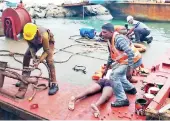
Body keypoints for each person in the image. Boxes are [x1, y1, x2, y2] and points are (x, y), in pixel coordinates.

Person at [101, 23, 142, 107]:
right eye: (102, 32)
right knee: (119, 74)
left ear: (111, 32)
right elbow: (111, 55)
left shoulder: (119, 39)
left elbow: (130, 53)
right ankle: (131, 89)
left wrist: (130, 70)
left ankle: (122, 100)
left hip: (134, 60)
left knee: (114, 76)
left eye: (105, 32)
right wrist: (106, 69)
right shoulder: (109, 40)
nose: (102, 34)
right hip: (125, 61)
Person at [15, 23, 59, 99]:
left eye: (31, 38)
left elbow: (47, 51)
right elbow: (31, 47)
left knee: (49, 60)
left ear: (37, 32)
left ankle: (54, 84)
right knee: (26, 56)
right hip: (37, 42)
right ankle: (24, 78)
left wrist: (39, 60)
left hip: (48, 41)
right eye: (29, 39)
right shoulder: (28, 36)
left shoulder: (44, 35)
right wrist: (34, 58)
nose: (30, 40)